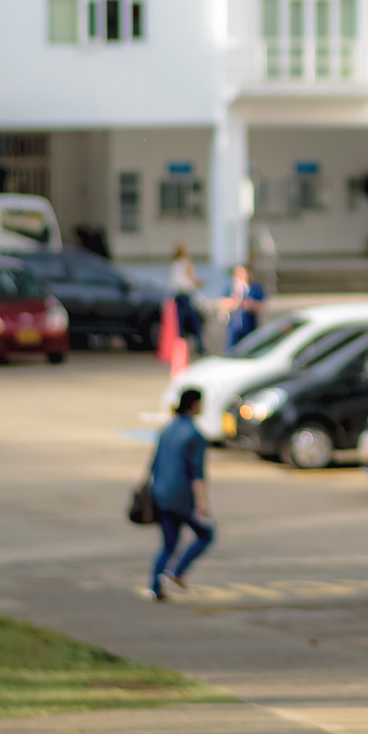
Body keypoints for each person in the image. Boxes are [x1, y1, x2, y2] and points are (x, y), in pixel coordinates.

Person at [146, 388, 214, 600]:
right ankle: (177, 571)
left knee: (168, 544)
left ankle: (156, 586)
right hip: (182, 497)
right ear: (195, 405)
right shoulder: (195, 435)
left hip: (161, 493)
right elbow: (196, 472)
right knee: (206, 534)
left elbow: (154, 462)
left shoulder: (167, 429)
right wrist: (201, 502)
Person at [217, 264, 264, 351]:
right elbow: (223, 302)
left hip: (250, 324)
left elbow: (262, 305)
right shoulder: (232, 287)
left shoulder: (255, 287)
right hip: (234, 325)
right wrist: (234, 302)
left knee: (250, 348)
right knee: (232, 349)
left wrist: (250, 304)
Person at [168, 245, 202, 353]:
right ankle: (199, 345)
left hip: (177, 295)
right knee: (195, 320)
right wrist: (200, 283)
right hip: (186, 295)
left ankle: (179, 347)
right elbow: (192, 279)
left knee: (180, 322)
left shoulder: (174, 265)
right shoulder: (186, 263)